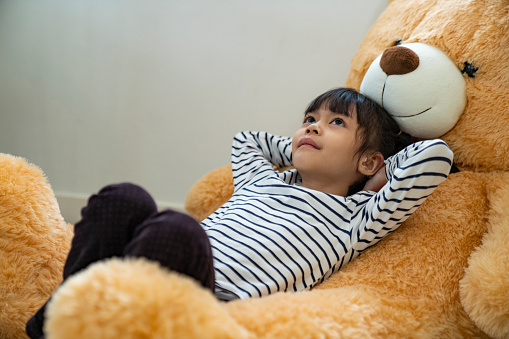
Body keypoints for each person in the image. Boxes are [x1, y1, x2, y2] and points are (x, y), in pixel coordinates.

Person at [26, 88, 453, 338]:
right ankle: (58, 319)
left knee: (175, 228)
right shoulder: (262, 181)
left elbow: (436, 155)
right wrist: (303, 150)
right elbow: (247, 139)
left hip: (210, 298)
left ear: (369, 161)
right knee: (124, 198)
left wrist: (376, 173)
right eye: (308, 119)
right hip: (170, 252)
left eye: (336, 122)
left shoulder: (359, 215)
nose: (312, 126)